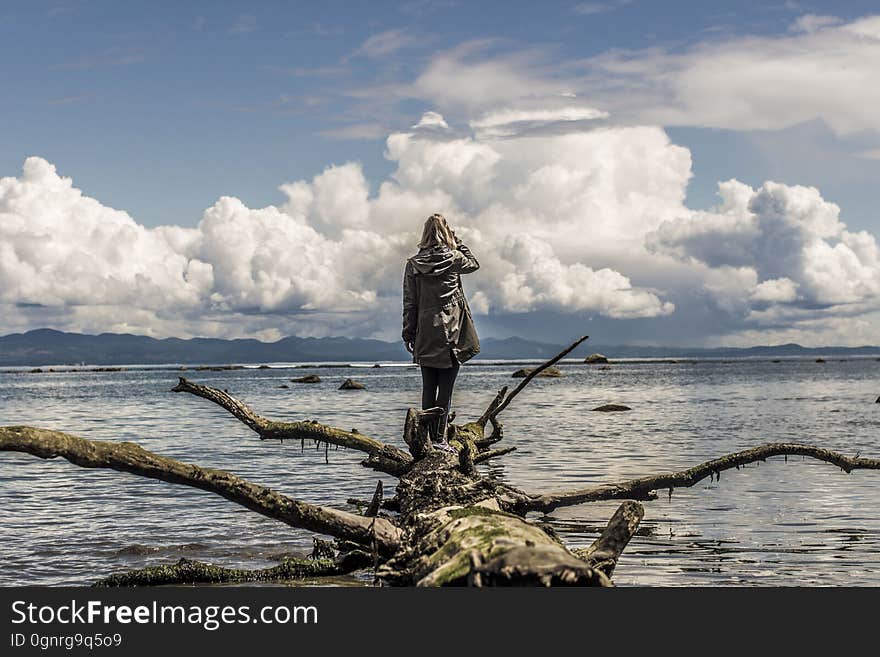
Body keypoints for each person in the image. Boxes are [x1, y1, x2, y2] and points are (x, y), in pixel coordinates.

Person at [402, 213, 480, 447]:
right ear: (446, 233)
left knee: (429, 386)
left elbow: (410, 302)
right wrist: (456, 240)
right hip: (452, 331)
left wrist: (408, 332)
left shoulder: (413, 265)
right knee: (445, 388)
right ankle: (439, 440)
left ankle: (425, 438)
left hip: (425, 331)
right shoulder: (455, 258)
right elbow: (474, 263)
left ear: (424, 234)